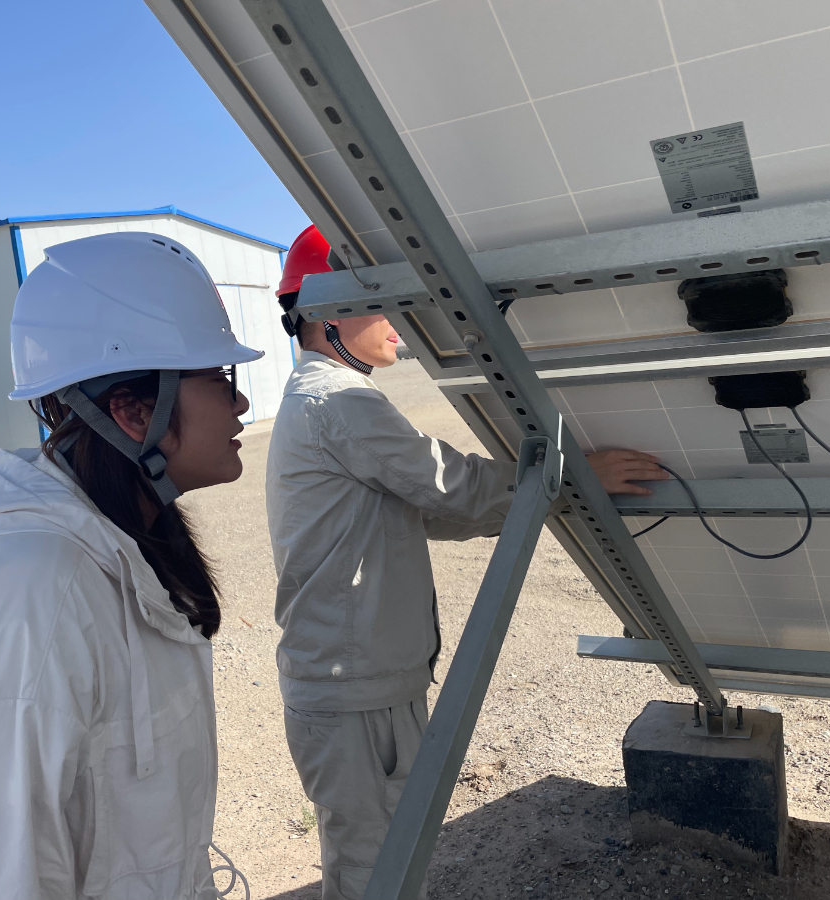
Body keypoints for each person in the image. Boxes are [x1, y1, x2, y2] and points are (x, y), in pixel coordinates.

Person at [267, 225, 668, 900]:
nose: (399, 323)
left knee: (384, 855)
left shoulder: (322, 400)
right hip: (355, 689)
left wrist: (536, 502)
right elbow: (451, 485)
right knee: (377, 868)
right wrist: (570, 477)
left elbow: (434, 512)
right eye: (380, 303)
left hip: (356, 682)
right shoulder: (338, 401)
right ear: (327, 310)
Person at [0, 232, 261, 900]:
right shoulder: (32, 591)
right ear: (133, 412)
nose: (240, 403)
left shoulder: (121, 545)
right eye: (221, 378)